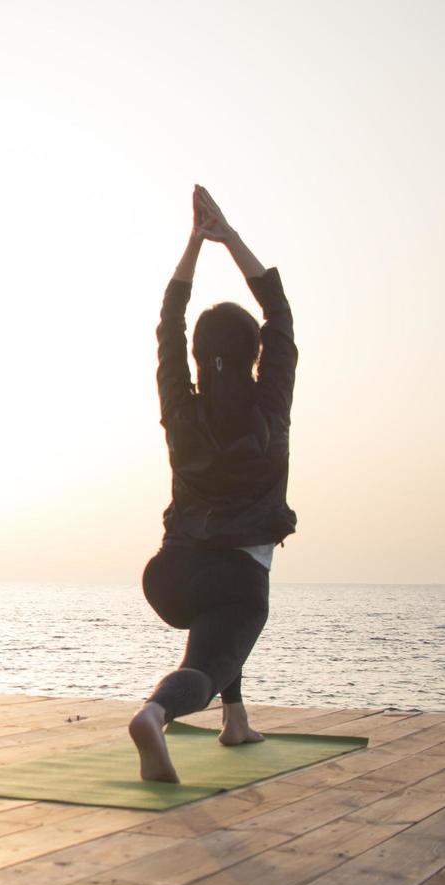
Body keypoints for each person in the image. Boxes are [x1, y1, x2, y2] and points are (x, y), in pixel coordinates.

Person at [129, 187, 298, 781]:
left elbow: (169, 322)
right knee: (210, 656)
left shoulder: (182, 405)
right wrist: (227, 236)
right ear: (255, 354)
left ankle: (236, 720)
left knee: (219, 623)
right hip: (234, 574)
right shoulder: (269, 403)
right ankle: (157, 712)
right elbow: (278, 311)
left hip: (170, 574)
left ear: (198, 355)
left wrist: (194, 244)